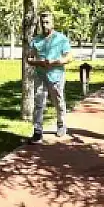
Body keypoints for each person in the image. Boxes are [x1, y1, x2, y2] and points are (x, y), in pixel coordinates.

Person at [27, 11, 72, 143]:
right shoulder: (36, 40)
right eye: (42, 23)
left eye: (47, 22)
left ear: (53, 23)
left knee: (58, 101)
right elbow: (29, 58)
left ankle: (61, 124)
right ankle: (37, 131)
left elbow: (69, 57)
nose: (45, 25)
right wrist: (39, 62)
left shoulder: (61, 39)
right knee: (39, 102)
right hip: (40, 75)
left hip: (56, 76)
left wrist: (55, 62)